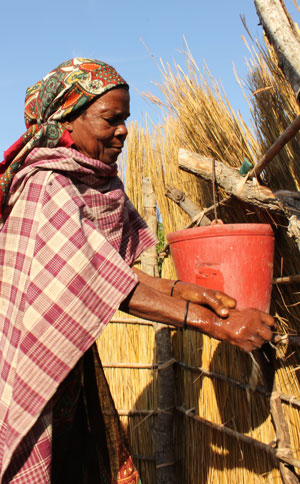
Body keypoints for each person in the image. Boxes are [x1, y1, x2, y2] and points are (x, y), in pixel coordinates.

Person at [0, 58, 275, 483]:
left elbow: (112, 268)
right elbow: (97, 279)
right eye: (111, 119)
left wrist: (182, 288)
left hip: (66, 370)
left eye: (125, 119)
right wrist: (212, 324)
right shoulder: (46, 186)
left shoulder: (95, 183)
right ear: (67, 121)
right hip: (27, 364)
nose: (124, 130)